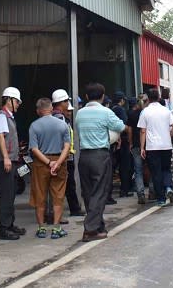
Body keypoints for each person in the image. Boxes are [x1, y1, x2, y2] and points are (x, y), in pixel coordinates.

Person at [73, 82, 126, 242]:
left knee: (89, 193)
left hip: (84, 157)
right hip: (100, 155)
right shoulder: (106, 112)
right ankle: (90, 230)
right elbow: (121, 126)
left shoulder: (79, 114)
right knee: (100, 192)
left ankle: (99, 226)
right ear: (102, 97)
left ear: (87, 97)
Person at [28, 97, 71, 239]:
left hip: (41, 163)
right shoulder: (62, 124)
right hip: (59, 161)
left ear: (38, 111)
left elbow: (34, 149)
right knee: (58, 196)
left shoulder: (34, 126)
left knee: (40, 196)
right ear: (51, 108)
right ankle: (56, 228)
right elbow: (67, 146)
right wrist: (57, 163)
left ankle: (41, 228)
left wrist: (48, 162)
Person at [0, 86, 27, 239]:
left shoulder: (9, 117)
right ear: (9, 100)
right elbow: (0, 137)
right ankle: (4, 228)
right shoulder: (2, 116)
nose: (19, 104)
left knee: (11, 193)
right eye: (17, 101)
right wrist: (6, 158)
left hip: (11, 161)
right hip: (4, 161)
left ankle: (10, 224)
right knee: (6, 195)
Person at [138, 87, 173, 206]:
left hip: (152, 147)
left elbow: (142, 131)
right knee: (166, 169)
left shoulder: (145, 112)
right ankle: (169, 188)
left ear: (148, 99)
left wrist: (142, 148)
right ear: (159, 97)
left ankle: (161, 199)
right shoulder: (166, 110)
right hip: (166, 146)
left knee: (156, 173)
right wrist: (168, 135)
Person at [50, 89, 83, 217]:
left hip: (62, 156)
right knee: (66, 185)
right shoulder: (60, 119)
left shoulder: (55, 117)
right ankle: (69, 210)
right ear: (61, 103)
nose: (69, 109)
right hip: (63, 157)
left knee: (64, 185)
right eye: (66, 102)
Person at [110, 90, 133, 200]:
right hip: (123, 141)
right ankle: (124, 190)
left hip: (114, 142)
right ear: (122, 100)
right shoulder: (120, 110)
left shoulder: (110, 109)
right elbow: (125, 126)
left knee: (114, 166)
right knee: (125, 167)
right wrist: (130, 141)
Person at [126, 95, 147, 204]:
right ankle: (153, 192)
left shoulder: (131, 114)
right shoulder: (147, 114)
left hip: (136, 145)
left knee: (138, 171)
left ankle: (140, 193)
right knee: (151, 168)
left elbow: (129, 130)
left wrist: (130, 143)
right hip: (148, 145)